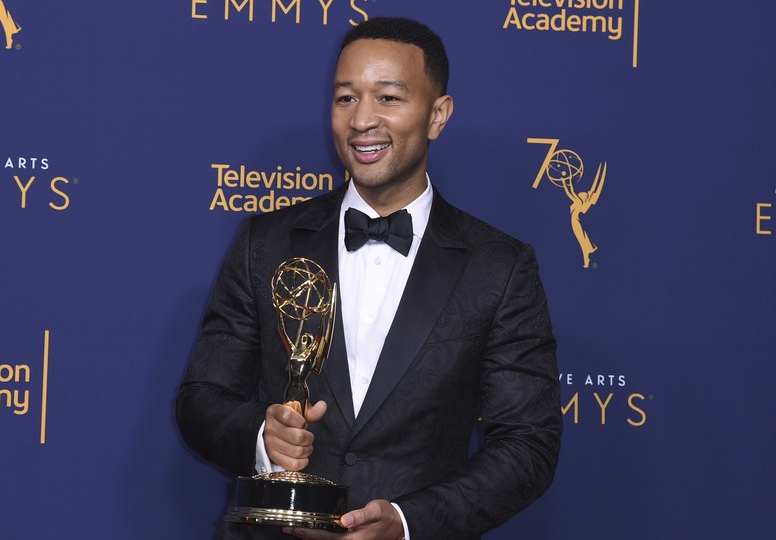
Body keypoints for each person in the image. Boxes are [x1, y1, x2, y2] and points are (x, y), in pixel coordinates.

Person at [176, 17, 562, 540]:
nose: (362, 121)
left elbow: (528, 445)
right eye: (345, 98)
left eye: (388, 98)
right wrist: (264, 439)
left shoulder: (499, 267)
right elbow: (200, 400)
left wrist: (408, 522)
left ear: (437, 115)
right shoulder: (264, 243)